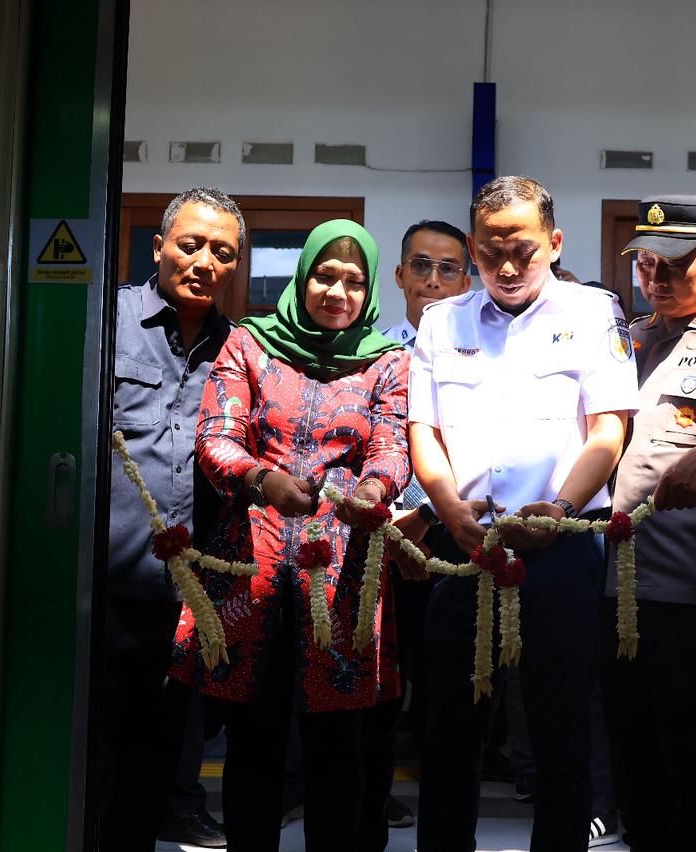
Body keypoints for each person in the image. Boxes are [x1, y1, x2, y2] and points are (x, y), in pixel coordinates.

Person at [408, 175, 638, 852]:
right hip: (465, 547)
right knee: (450, 738)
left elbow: (609, 430)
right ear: (473, 246)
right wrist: (447, 509)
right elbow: (424, 432)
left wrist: (562, 508)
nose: (506, 267)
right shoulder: (442, 322)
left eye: (523, 251)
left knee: (561, 736)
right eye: (489, 253)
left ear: (554, 242)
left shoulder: (594, 314)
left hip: (561, 550)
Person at [169, 219, 410, 852]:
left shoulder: (388, 361)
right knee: (254, 740)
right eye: (325, 276)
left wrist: (373, 491)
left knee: (339, 747)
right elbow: (215, 436)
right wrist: (261, 479)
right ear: (303, 277)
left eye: (354, 282)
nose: (338, 292)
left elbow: (392, 447)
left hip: (344, 574)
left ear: (369, 291)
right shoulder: (249, 345)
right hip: (253, 566)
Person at [603, 194, 696, 852]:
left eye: (672, 265)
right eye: (645, 265)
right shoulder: (627, 342)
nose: (656, 279)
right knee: (634, 767)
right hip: (617, 591)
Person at [101, 187, 243, 852]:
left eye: (223, 253)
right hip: (101, 590)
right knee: (92, 756)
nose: (205, 262)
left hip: (187, 598)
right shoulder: (107, 318)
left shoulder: (237, 349)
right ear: (158, 247)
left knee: (155, 763)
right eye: (191, 244)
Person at [379, 219, 473, 830]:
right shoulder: (377, 352)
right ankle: (372, 793)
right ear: (400, 275)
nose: (433, 280)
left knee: (448, 689)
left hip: (454, 536)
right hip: (383, 539)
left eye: (448, 268)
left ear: (466, 281)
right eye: (421, 265)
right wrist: (394, 525)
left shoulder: (482, 353)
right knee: (379, 680)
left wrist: (430, 514)